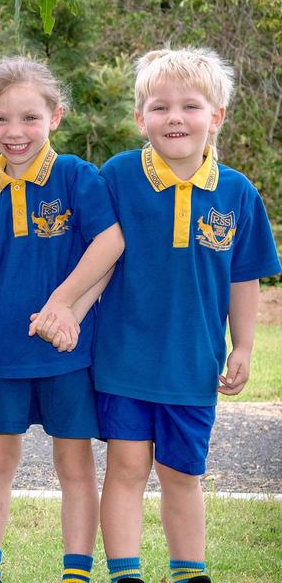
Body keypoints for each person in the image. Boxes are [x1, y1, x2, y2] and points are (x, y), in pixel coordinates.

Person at [93, 48, 280, 583]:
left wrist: (242, 347)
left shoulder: (238, 192)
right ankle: (125, 573)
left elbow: (246, 278)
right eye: (160, 107)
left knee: (182, 473)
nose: (175, 117)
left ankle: (189, 572)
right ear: (140, 118)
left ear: (216, 117)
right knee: (126, 470)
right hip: (124, 360)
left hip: (193, 364)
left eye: (191, 106)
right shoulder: (118, 176)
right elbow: (96, 259)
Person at [0, 57, 123, 583]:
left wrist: (64, 306)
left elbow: (110, 243)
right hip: (1, 354)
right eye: (1, 119)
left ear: (55, 116)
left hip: (67, 351)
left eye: (30, 118)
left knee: (74, 465)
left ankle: (76, 570)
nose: (16, 132)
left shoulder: (78, 176)